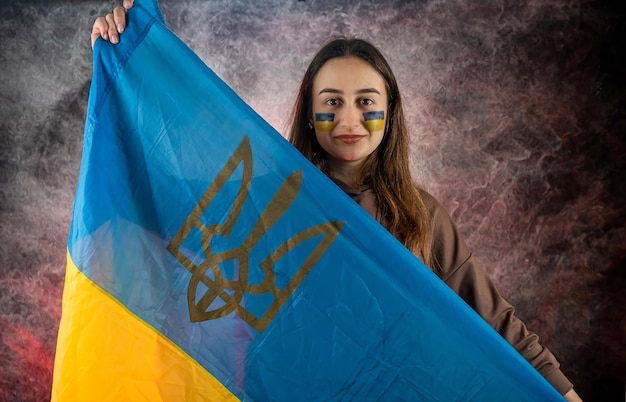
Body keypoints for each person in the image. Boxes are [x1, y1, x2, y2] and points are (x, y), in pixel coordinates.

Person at [91, 2, 583, 400]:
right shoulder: (264, 201)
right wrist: (128, 61)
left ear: (390, 114)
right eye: (331, 103)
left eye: (366, 102)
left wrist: (561, 393)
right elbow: (161, 212)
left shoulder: (420, 215)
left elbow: (496, 322)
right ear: (308, 113)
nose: (349, 119)